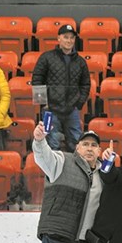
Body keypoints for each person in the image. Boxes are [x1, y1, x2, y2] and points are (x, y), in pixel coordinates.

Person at [32, 24, 91, 152]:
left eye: (71, 38)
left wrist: (79, 104)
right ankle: (52, 172)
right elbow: (37, 80)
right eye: (66, 37)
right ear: (58, 38)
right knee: (52, 144)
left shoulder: (80, 61)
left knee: (76, 144)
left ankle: (76, 172)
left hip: (72, 110)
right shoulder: (46, 57)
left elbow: (85, 84)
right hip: (50, 110)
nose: (69, 40)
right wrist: (43, 104)